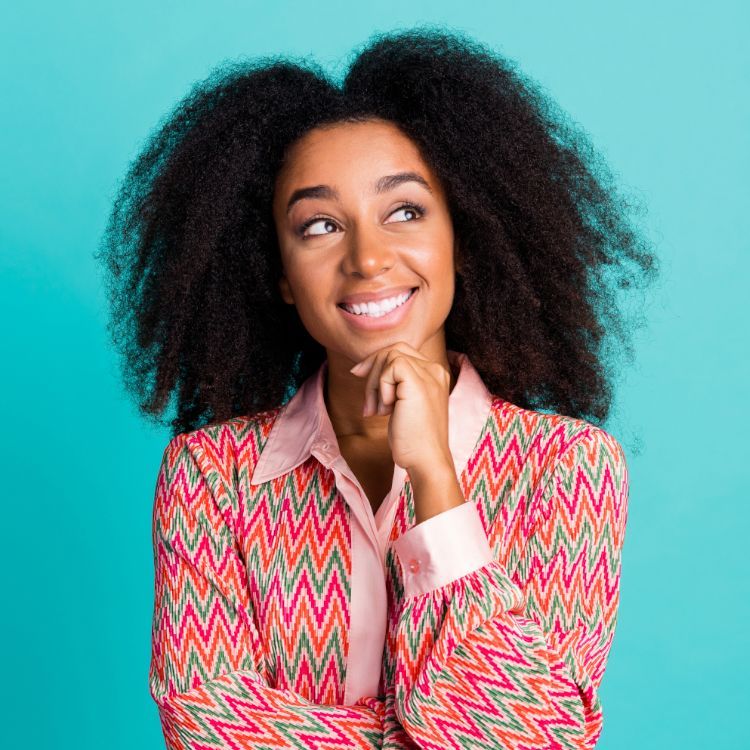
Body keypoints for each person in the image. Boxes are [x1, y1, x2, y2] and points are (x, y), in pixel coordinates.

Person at [97, 26, 658, 750]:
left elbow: (528, 741)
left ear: (464, 234)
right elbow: (203, 725)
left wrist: (434, 479)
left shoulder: (570, 469)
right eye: (321, 225)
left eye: (405, 211)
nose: (367, 258)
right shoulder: (212, 478)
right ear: (279, 276)